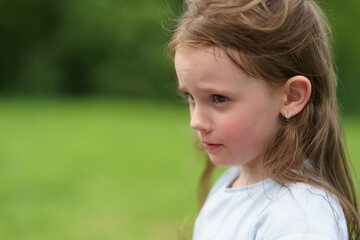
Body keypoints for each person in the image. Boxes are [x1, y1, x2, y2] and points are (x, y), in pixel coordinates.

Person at [168, 0, 360, 239]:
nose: (196, 121)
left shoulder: (299, 217)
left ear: (291, 96)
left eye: (219, 98)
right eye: (190, 97)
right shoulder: (234, 180)